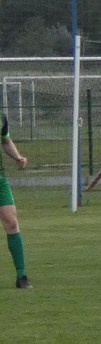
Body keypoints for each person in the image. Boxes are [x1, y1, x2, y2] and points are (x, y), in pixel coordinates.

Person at [1, 113, 32, 289]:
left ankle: (21, 277)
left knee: (12, 223)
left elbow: (5, 141)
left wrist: (17, 156)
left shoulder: (1, 117)